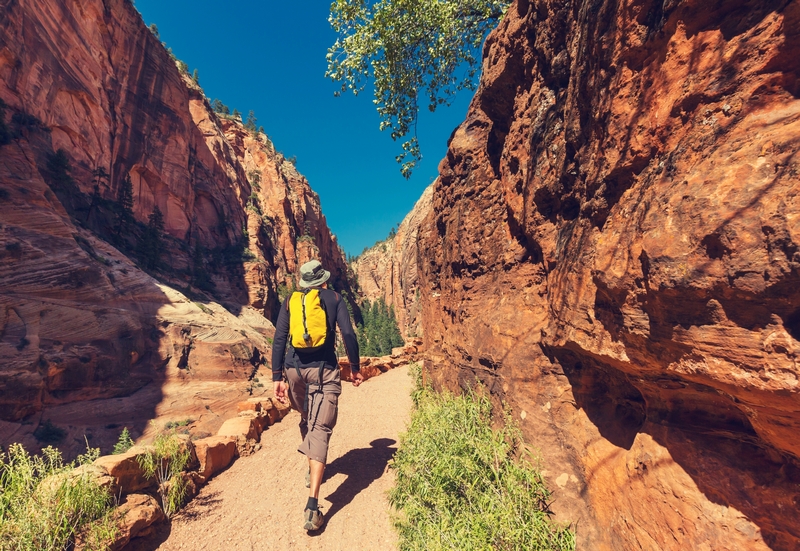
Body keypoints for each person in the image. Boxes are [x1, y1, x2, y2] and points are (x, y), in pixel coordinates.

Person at [271, 259, 363, 532]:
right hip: (324, 372)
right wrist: (355, 369)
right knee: (320, 428)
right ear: (322, 280)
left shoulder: (291, 301)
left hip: (294, 371)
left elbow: (279, 338)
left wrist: (277, 377)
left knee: (307, 418)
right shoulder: (334, 298)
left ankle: (312, 465)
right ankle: (312, 506)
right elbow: (347, 333)